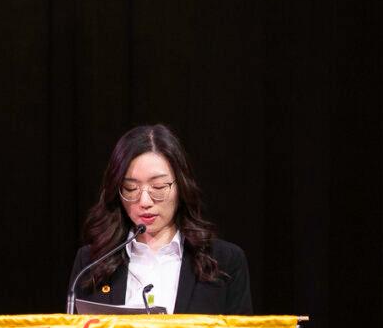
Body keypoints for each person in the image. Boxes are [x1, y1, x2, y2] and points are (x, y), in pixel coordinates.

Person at [69, 124, 252, 314]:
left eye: (158, 187)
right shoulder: (91, 263)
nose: (144, 201)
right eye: (131, 189)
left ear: (181, 186)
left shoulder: (224, 261)